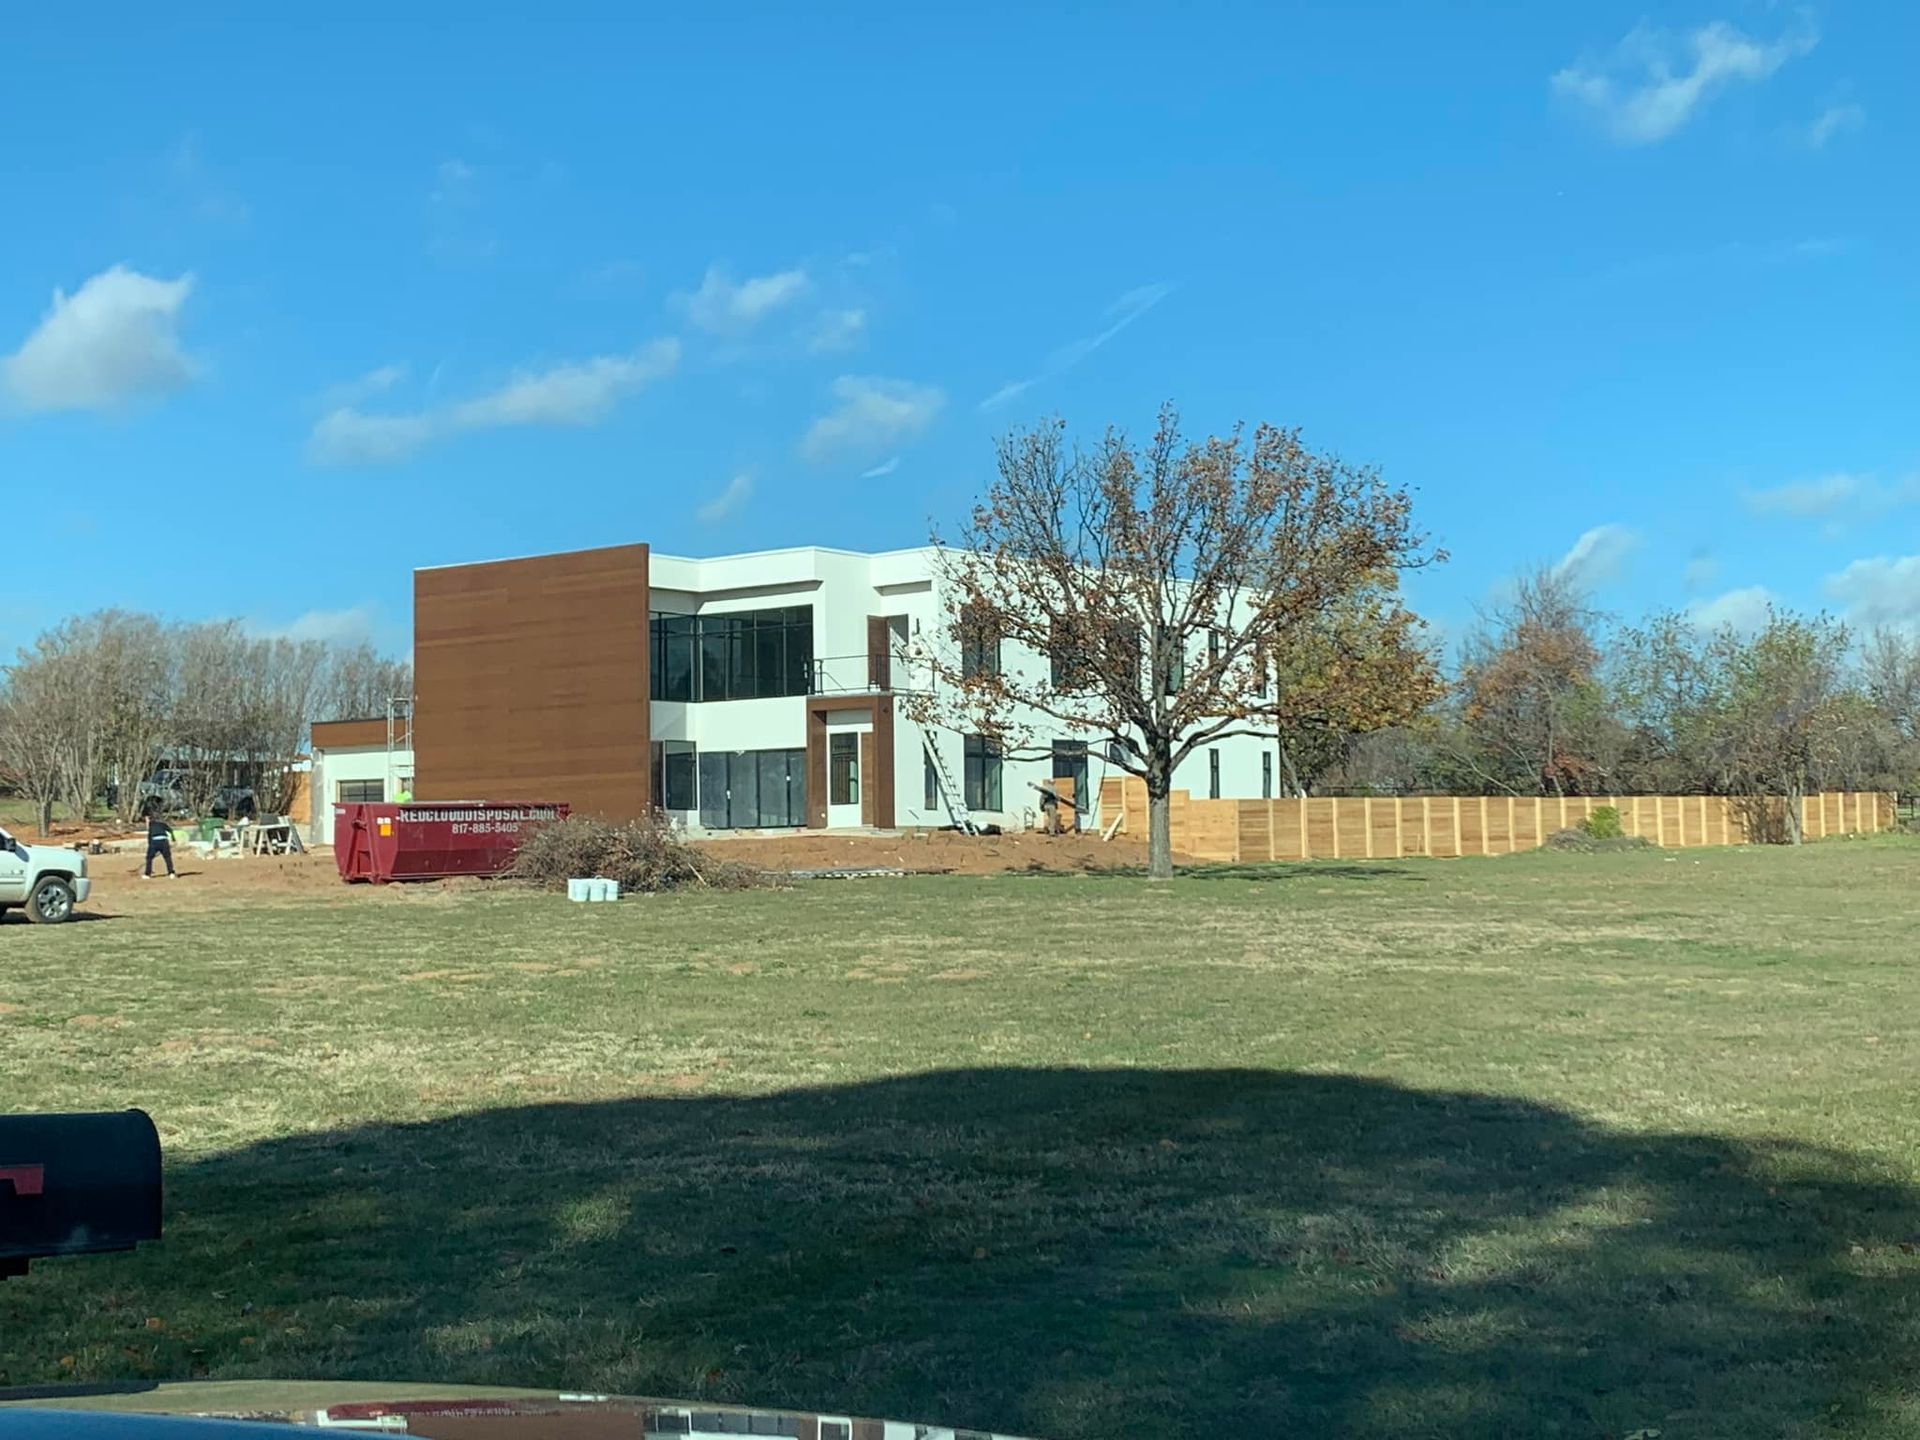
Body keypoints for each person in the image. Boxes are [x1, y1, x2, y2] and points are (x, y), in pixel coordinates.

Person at [143, 807, 178, 880]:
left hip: (154, 842)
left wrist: (150, 845)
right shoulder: (163, 824)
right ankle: (171, 873)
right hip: (164, 841)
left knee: (149, 858)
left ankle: (147, 874)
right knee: (167, 857)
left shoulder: (151, 824)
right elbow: (170, 830)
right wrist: (173, 838)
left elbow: (150, 835)